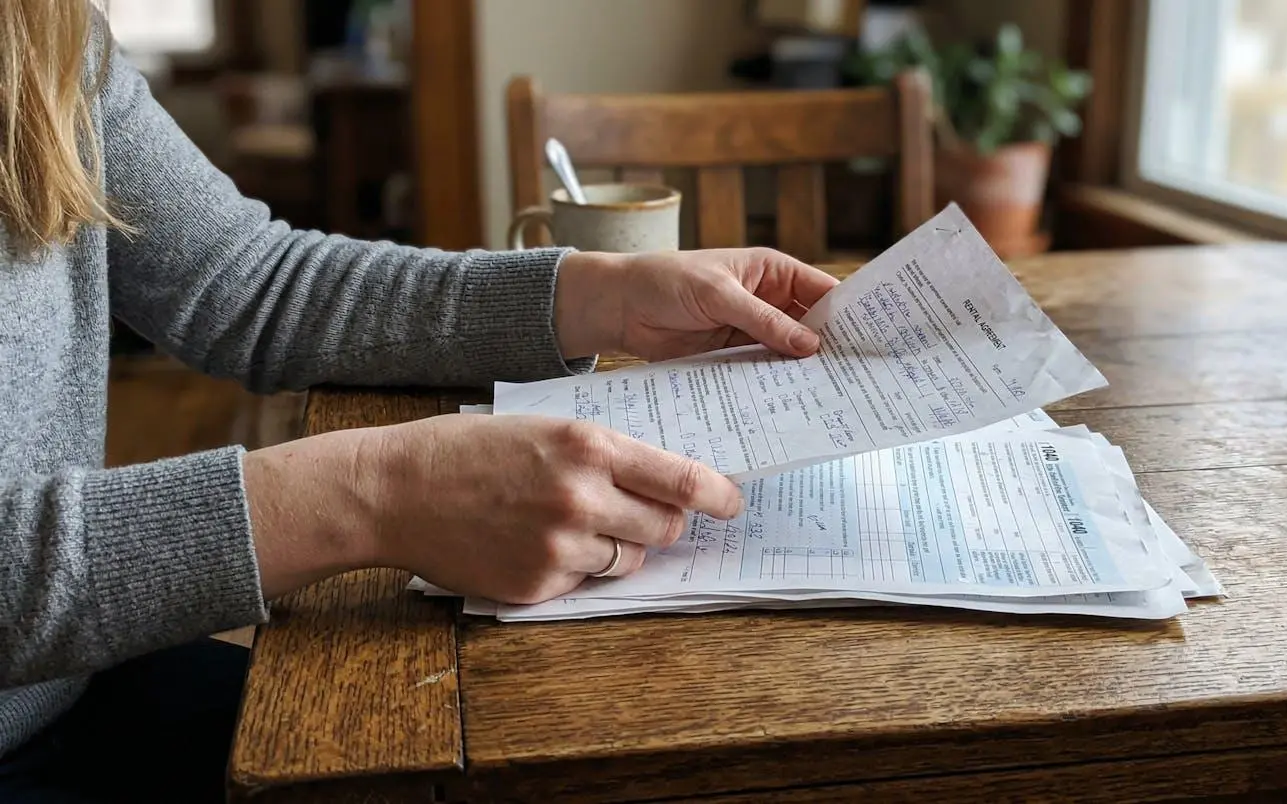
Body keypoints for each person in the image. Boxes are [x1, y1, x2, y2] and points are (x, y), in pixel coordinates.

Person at [0, 3, 839, 801]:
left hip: (70, 687)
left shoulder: (46, 31)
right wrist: (370, 492)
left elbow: (249, 284)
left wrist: (597, 294)